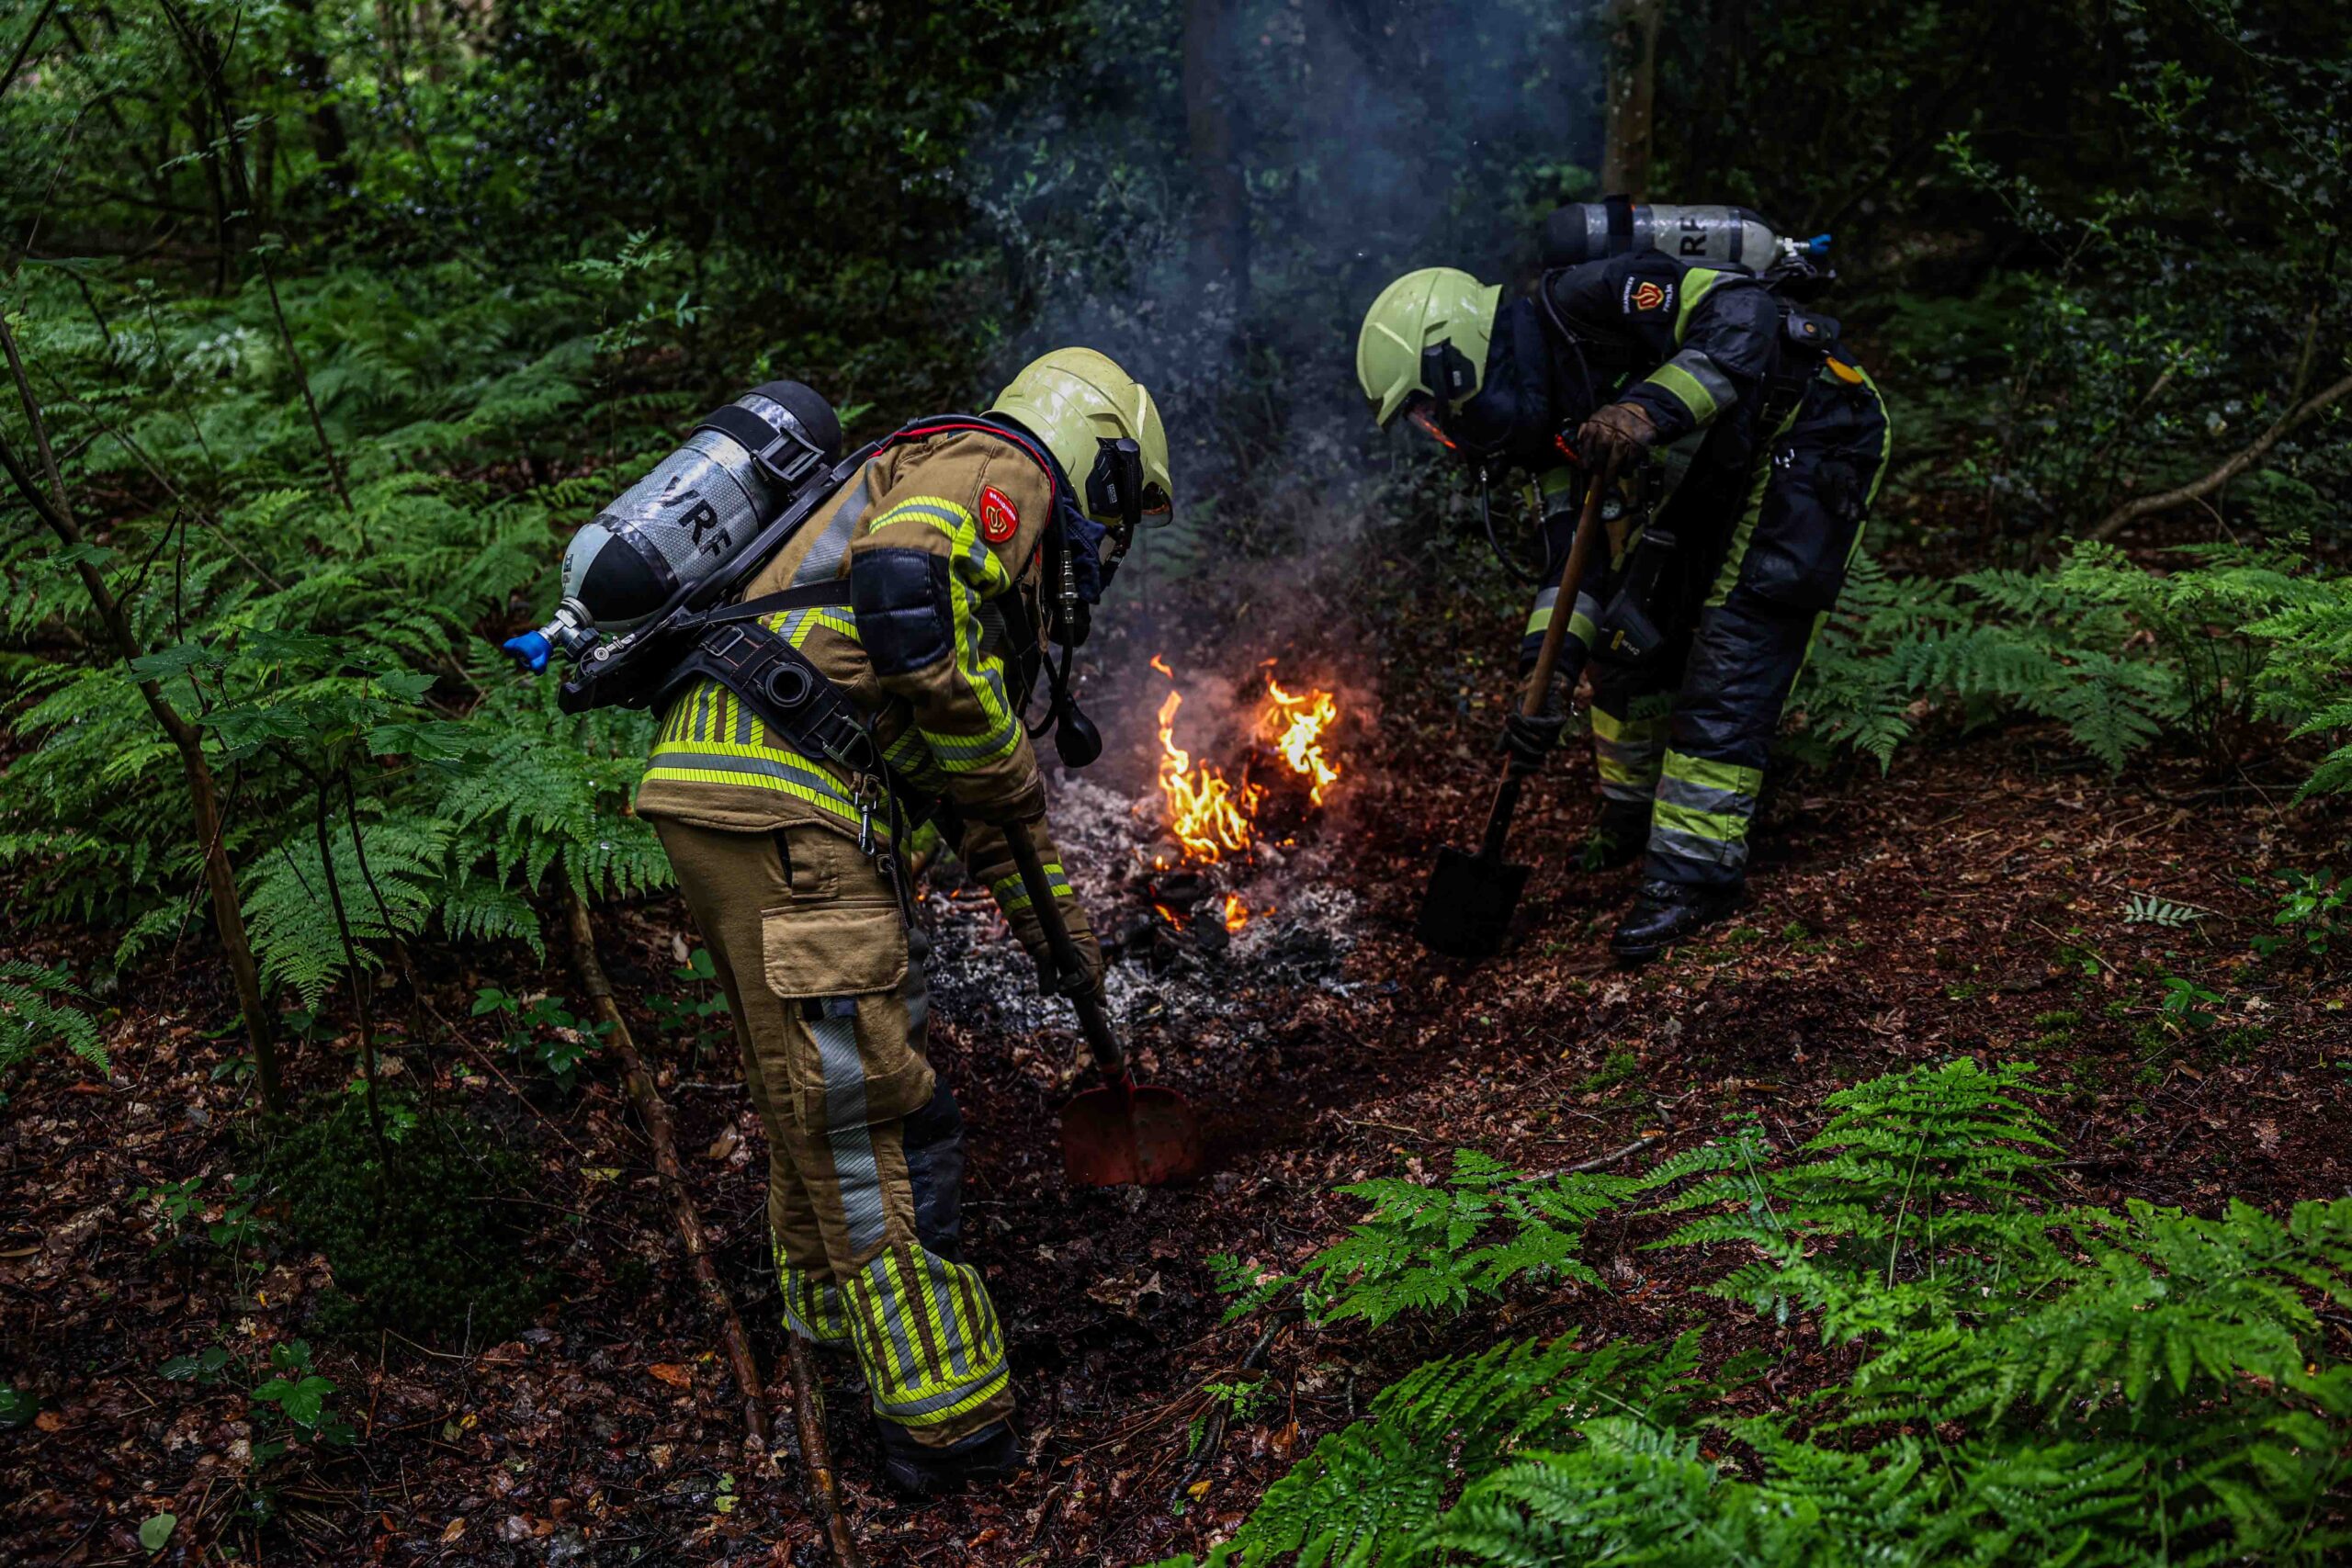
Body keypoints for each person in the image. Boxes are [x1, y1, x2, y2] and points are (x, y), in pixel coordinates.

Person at [631, 348, 1171, 1496]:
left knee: (809, 1096)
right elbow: (898, 584)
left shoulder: (957, 592)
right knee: (875, 1113)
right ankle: (946, 1423)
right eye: (1119, 508)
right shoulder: (1004, 464)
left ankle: (832, 1335)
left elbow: (972, 802)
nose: (1106, 544)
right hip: (788, 807)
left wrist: (1061, 948)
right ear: (1097, 452)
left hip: (733, 794)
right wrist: (1010, 768)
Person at [1357, 238, 1890, 962]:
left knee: (1733, 641)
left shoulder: (1590, 298)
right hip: (1722, 465)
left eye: (1428, 409)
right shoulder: (1534, 431)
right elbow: (1571, 571)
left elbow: (1744, 313)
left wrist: (1647, 409)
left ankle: (1694, 875)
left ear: (1455, 358)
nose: (1440, 430)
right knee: (1626, 639)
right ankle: (1633, 818)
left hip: (1813, 424)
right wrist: (1541, 677)